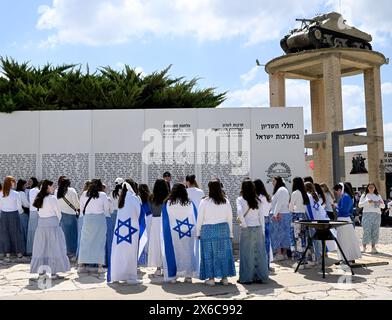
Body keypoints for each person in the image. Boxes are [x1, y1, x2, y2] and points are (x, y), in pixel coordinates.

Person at [197, 179, 235, 286]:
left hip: (208, 230)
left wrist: (198, 232)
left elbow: (200, 218)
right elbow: (229, 218)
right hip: (223, 230)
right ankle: (224, 278)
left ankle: (211, 278)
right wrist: (231, 233)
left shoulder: (204, 202)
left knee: (209, 254)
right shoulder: (226, 201)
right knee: (223, 254)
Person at [30, 180, 70, 279]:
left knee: (41, 247)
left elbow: (38, 211)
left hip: (41, 224)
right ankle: (53, 272)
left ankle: (41, 271)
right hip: (52, 223)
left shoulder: (39, 197)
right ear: (48, 187)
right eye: (52, 186)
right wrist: (57, 221)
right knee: (54, 247)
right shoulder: (52, 199)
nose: (54, 188)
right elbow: (58, 212)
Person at [162, 183, 199, 283]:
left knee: (175, 253)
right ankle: (188, 275)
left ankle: (173, 276)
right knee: (188, 253)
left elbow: (165, 220)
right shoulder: (190, 203)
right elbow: (195, 217)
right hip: (189, 231)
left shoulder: (168, 203)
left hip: (174, 232)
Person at [108, 179, 143, 284]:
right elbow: (139, 213)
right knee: (130, 253)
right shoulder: (134, 198)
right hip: (131, 231)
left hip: (120, 232)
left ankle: (116, 275)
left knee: (119, 253)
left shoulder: (122, 198)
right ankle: (130, 277)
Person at [236, 179, 268, 284]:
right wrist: (262, 230)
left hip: (247, 228)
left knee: (246, 255)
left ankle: (246, 278)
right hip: (258, 227)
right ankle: (259, 277)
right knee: (258, 254)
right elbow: (261, 217)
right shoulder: (258, 200)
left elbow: (240, 213)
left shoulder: (240, 199)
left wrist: (244, 224)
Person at [78, 179, 109, 279]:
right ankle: (100, 266)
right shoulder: (103, 195)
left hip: (87, 219)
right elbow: (106, 209)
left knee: (85, 241)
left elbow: (81, 208)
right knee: (100, 242)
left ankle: (81, 265)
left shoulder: (84, 194)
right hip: (99, 219)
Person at [332, 183, 362, 263]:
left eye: (336, 191)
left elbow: (343, 210)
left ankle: (345, 257)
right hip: (346, 220)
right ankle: (348, 257)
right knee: (348, 239)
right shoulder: (347, 196)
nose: (336, 193)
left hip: (343, 220)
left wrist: (336, 206)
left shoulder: (345, 197)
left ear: (340, 189)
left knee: (343, 240)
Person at [148, 179, 170, 277]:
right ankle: (166, 268)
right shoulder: (168, 198)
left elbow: (151, 210)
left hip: (155, 221)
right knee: (165, 244)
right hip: (164, 221)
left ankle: (158, 268)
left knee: (156, 245)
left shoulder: (151, 197)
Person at [0, 176, 25, 262]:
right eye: (14, 182)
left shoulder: (0, 193)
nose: (15, 183)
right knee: (16, 234)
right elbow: (19, 207)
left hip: (3, 215)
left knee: (5, 234)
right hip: (14, 214)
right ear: (11, 183)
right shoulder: (16, 194)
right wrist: (22, 213)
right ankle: (19, 254)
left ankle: (7, 254)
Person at [56, 176, 80, 260]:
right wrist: (78, 209)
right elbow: (76, 203)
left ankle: (64, 252)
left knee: (63, 234)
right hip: (71, 214)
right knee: (72, 234)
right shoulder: (71, 191)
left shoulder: (56, 191)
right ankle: (72, 252)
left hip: (61, 215)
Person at [358, 183, 385, 254]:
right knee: (366, 230)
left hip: (377, 214)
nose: (371, 189)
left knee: (375, 231)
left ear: (375, 188)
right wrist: (367, 202)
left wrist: (377, 203)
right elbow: (360, 205)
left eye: (373, 187)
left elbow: (383, 206)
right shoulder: (364, 195)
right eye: (370, 187)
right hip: (367, 214)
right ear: (367, 188)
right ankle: (364, 247)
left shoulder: (378, 195)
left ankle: (373, 247)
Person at [289, 177, 310, 264]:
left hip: (296, 216)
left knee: (297, 236)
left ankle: (299, 258)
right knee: (303, 236)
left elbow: (290, 206)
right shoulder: (304, 193)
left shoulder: (295, 193)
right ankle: (304, 257)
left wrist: (292, 210)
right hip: (303, 216)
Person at [270, 177, 291, 261]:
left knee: (277, 234)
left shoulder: (281, 190)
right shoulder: (283, 190)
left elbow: (279, 203)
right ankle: (284, 254)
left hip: (280, 215)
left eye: (274, 181)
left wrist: (275, 214)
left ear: (278, 181)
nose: (272, 182)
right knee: (284, 234)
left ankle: (279, 254)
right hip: (284, 214)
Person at [254, 179, 273, 270]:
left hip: (261, 220)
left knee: (260, 243)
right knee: (267, 243)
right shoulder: (267, 196)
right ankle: (267, 264)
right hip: (267, 219)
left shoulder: (259, 198)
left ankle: (262, 265)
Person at [76, 180, 91, 260]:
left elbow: (80, 207)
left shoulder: (82, 195)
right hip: (88, 218)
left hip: (81, 217)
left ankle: (79, 255)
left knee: (80, 238)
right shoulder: (93, 195)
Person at [138, 184, 152, 266]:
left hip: (142, 218)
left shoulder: (138, 197)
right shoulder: (150, 197)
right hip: (150, 217)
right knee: (149, 239)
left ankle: (142, 260)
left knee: (142, 238)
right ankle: (148, 259)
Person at [26, 179, 40, 255]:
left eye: (30, 181)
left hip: (34, 211)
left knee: (33, 230)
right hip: (33, 211)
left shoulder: (33, 190)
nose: (29, 182)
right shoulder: (32, 190)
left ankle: (32, 249)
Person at [16, 179, 30, 255]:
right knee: (24, 232)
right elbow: (26, 204)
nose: (26, 186)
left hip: (15, 215)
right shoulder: (21, 193)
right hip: (22, 215)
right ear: (22, 185)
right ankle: (24, 250)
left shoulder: (15, 192)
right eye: (25, 185)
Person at [102, 184, 114, 268]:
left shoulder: (95, 198)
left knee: (101, 241)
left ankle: (101, 261)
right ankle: (108, 260)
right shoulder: (108, 199)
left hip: (100, 219)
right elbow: (111, 210)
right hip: (107, 219)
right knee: (108, 240)